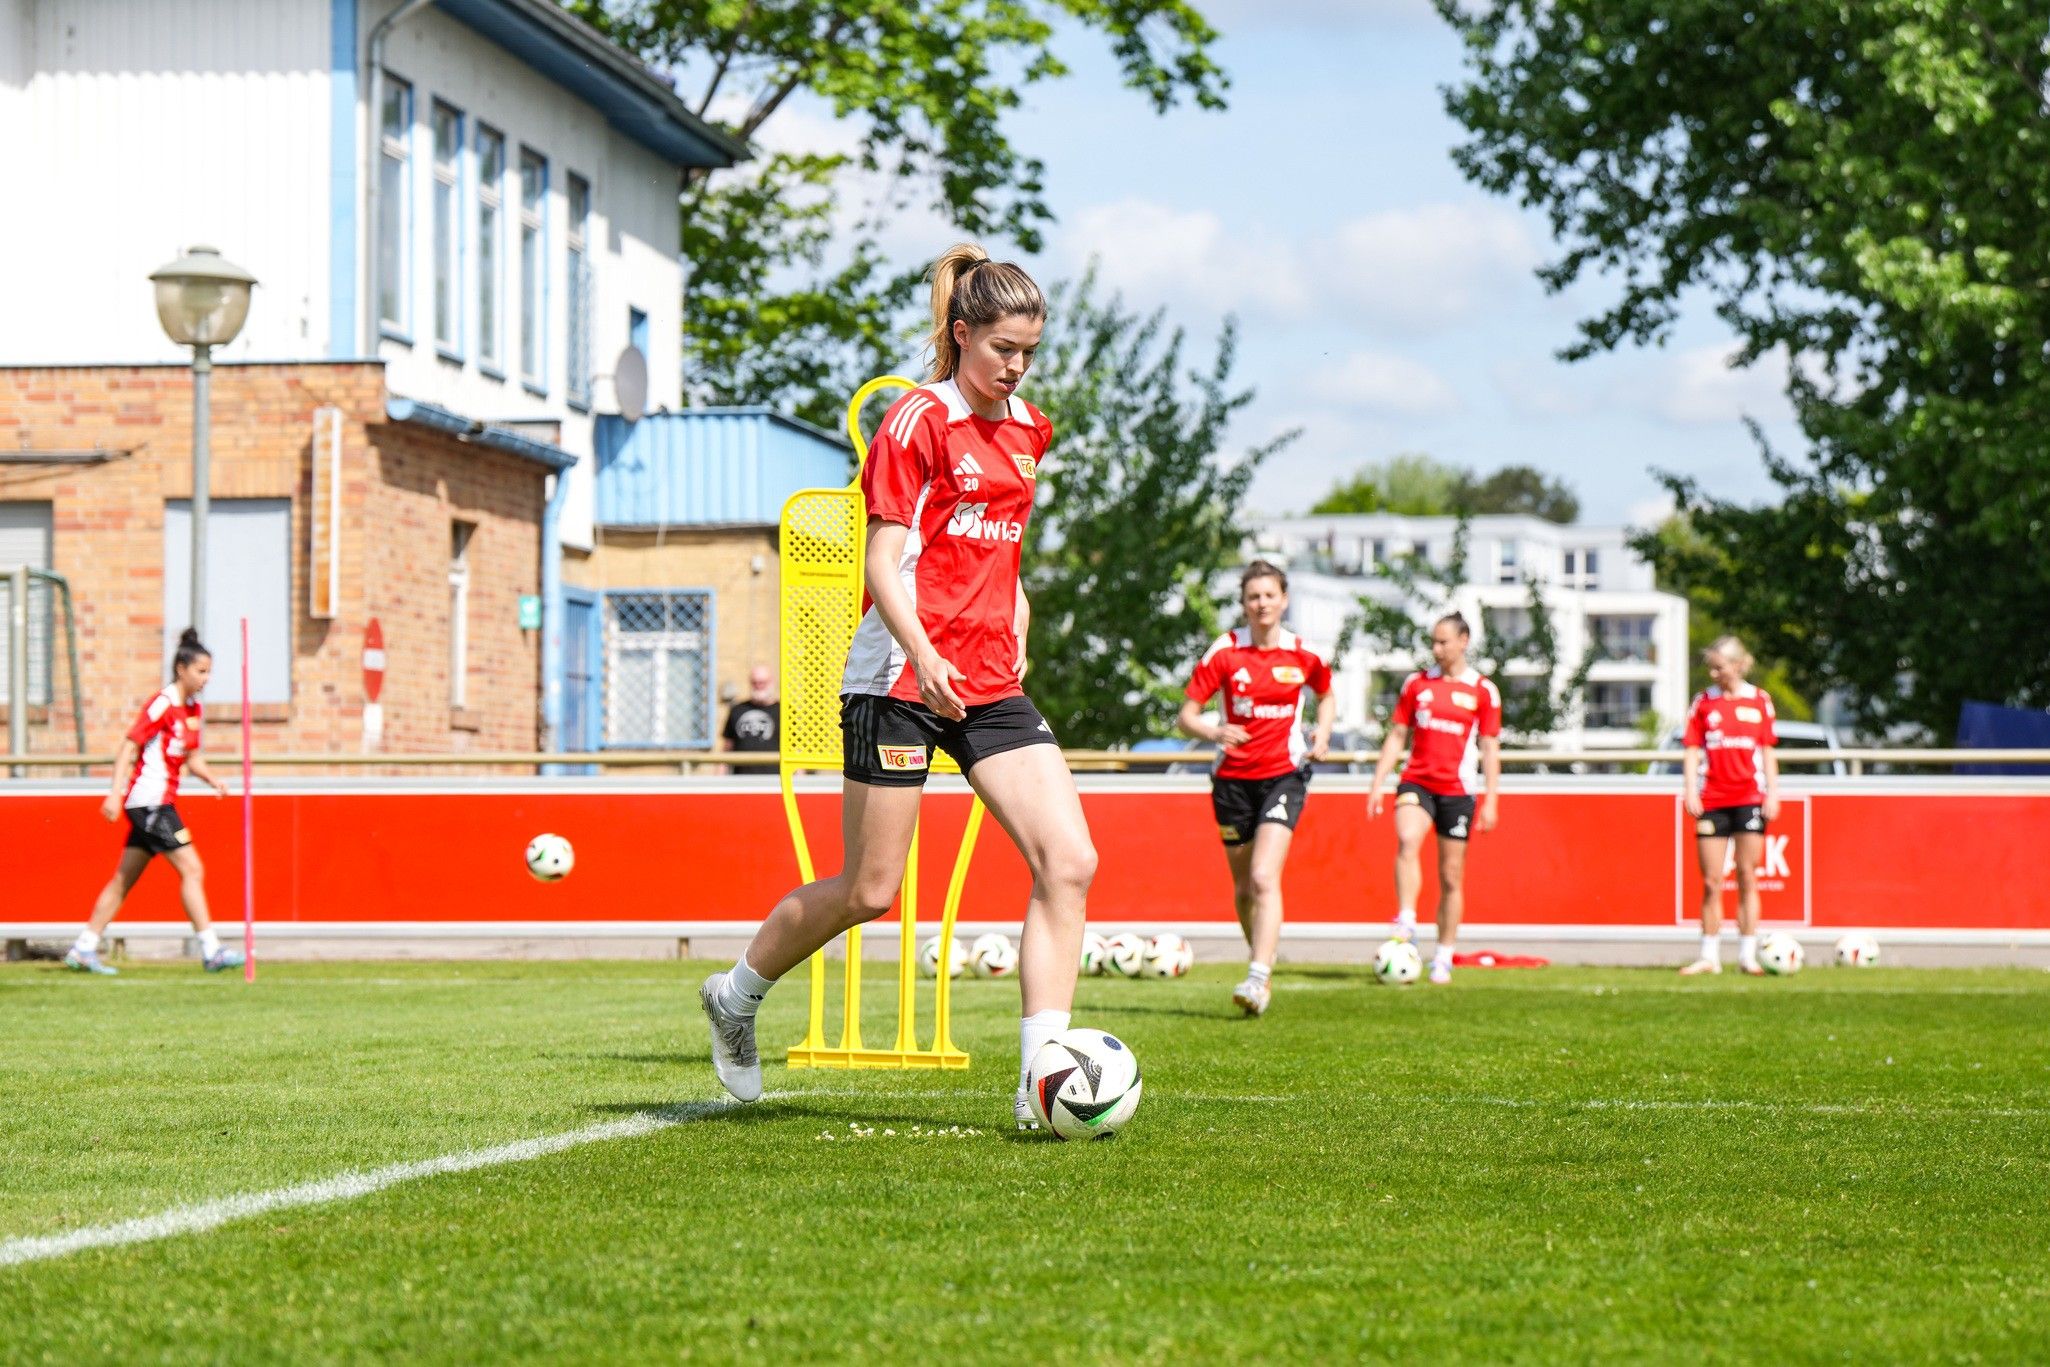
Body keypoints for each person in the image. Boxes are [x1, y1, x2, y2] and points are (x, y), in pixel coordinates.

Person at [698, 244, 1094, 1129]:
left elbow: (999, 549)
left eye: (1030, 352)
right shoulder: (915, 420)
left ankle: (1042, 1081)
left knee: (1069, 862)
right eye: (1003, 348)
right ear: (962, 333)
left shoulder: (1031, 429)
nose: (1017, 366)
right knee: (870, 890)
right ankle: (734, 995)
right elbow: (882, 563)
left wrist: (1019, 618)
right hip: (900, 678)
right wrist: (927, 654)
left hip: (989, 679)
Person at [1177, 561, 1334, 1016]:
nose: (1262, 604)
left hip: (1285, 775)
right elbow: (1186, 716)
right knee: (1245, 888)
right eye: (1253, 596)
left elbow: (1327, 694)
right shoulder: (1225, 651)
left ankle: (1257, 976)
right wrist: (1214, 731)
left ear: (1284, 600)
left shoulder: (1303, 654)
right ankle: (1261, 961)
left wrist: (1323, 732)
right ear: (1244, 604)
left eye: (1269, 595)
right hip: (1231, 781)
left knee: (1265, 876)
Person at [63, 628, 244, 976]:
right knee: (192, 869)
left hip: (157, 802)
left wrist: (213, 780)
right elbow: (129, 746)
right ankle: (211, 950)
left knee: (123, 879)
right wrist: (114, 792)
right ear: (181, 669)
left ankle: (83, 947)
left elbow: (192, 758)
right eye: (201, 671)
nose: (206, 679)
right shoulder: (162, 703)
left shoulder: (192, 709)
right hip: (150, 803)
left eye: (209, 672)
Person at [1365, 613, 1502, 985]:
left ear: (1463, 641)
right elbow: (1397, 735)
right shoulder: (1417, 684)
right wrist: (1378, 782)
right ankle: (1407, 918)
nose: (1437, 649)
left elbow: (1489, 747)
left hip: (1457, 791)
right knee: (1408, 838)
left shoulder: (1483, 690)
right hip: (1417, 781)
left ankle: (1443, 955)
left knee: (1451, 875)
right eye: (1434, 642)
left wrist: (1491, 799)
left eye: (1444, 642)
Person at [1678, 636, 1781, 976]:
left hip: (1750, 797)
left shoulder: (1760, 700)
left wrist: (1773, 793)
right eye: (1711, 667)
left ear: (1738, 665)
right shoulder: (1703, 703)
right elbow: (1692, 749)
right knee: (1711, 880)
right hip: (1712, 799)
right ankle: (1709, 956)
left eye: (1719, 667)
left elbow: (1767, 750)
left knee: (1748, 875)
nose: (1713, 673)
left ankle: (1747, 956)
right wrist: (1690, 790)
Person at [719, 664, 780, 774]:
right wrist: (719, 775)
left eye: (762, 682)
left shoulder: (784, 711)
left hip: (776, 778)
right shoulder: (737, 710)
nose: (758, 686)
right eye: (754, 682)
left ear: (772, 682)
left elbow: (795, 749)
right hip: (742, 779)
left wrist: (800, 779)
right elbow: (727, 748)